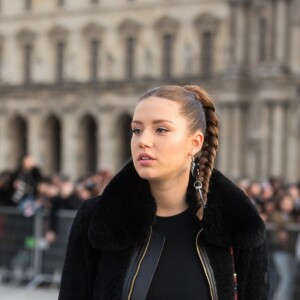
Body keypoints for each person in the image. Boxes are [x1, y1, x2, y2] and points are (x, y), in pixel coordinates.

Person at [59, 85, 269, 300]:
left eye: (161, 129)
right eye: (136, 130)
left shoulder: (238, 225)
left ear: (195, 143)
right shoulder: (98, 219)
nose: (143, 141)